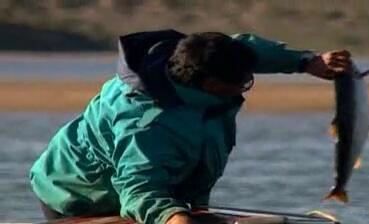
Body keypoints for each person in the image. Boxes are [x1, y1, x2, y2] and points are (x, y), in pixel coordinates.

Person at [30, 30, 351, 224]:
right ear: (211, 84)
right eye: (244, 83)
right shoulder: (146, 123)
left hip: (148, 181)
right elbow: (140, 188)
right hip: (78, 194)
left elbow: (245, 47)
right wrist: (173, 216)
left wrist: (305, 62)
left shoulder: (191, 55)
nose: (246, 86)